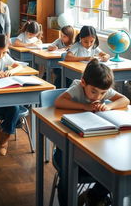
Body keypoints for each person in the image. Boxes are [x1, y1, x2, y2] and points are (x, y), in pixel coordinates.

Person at [55, 59, 129, 206]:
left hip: (96, 147)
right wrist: (84, 106)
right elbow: (59, 102)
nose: (98, 97)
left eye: (102, 93)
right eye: (94, 91)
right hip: (68, 149)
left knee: (116, 170)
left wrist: (110, 106)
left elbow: (124, 99)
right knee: (67, 173)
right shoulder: (77, 88)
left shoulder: (101, 89)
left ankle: (93, 196)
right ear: (83, 83)